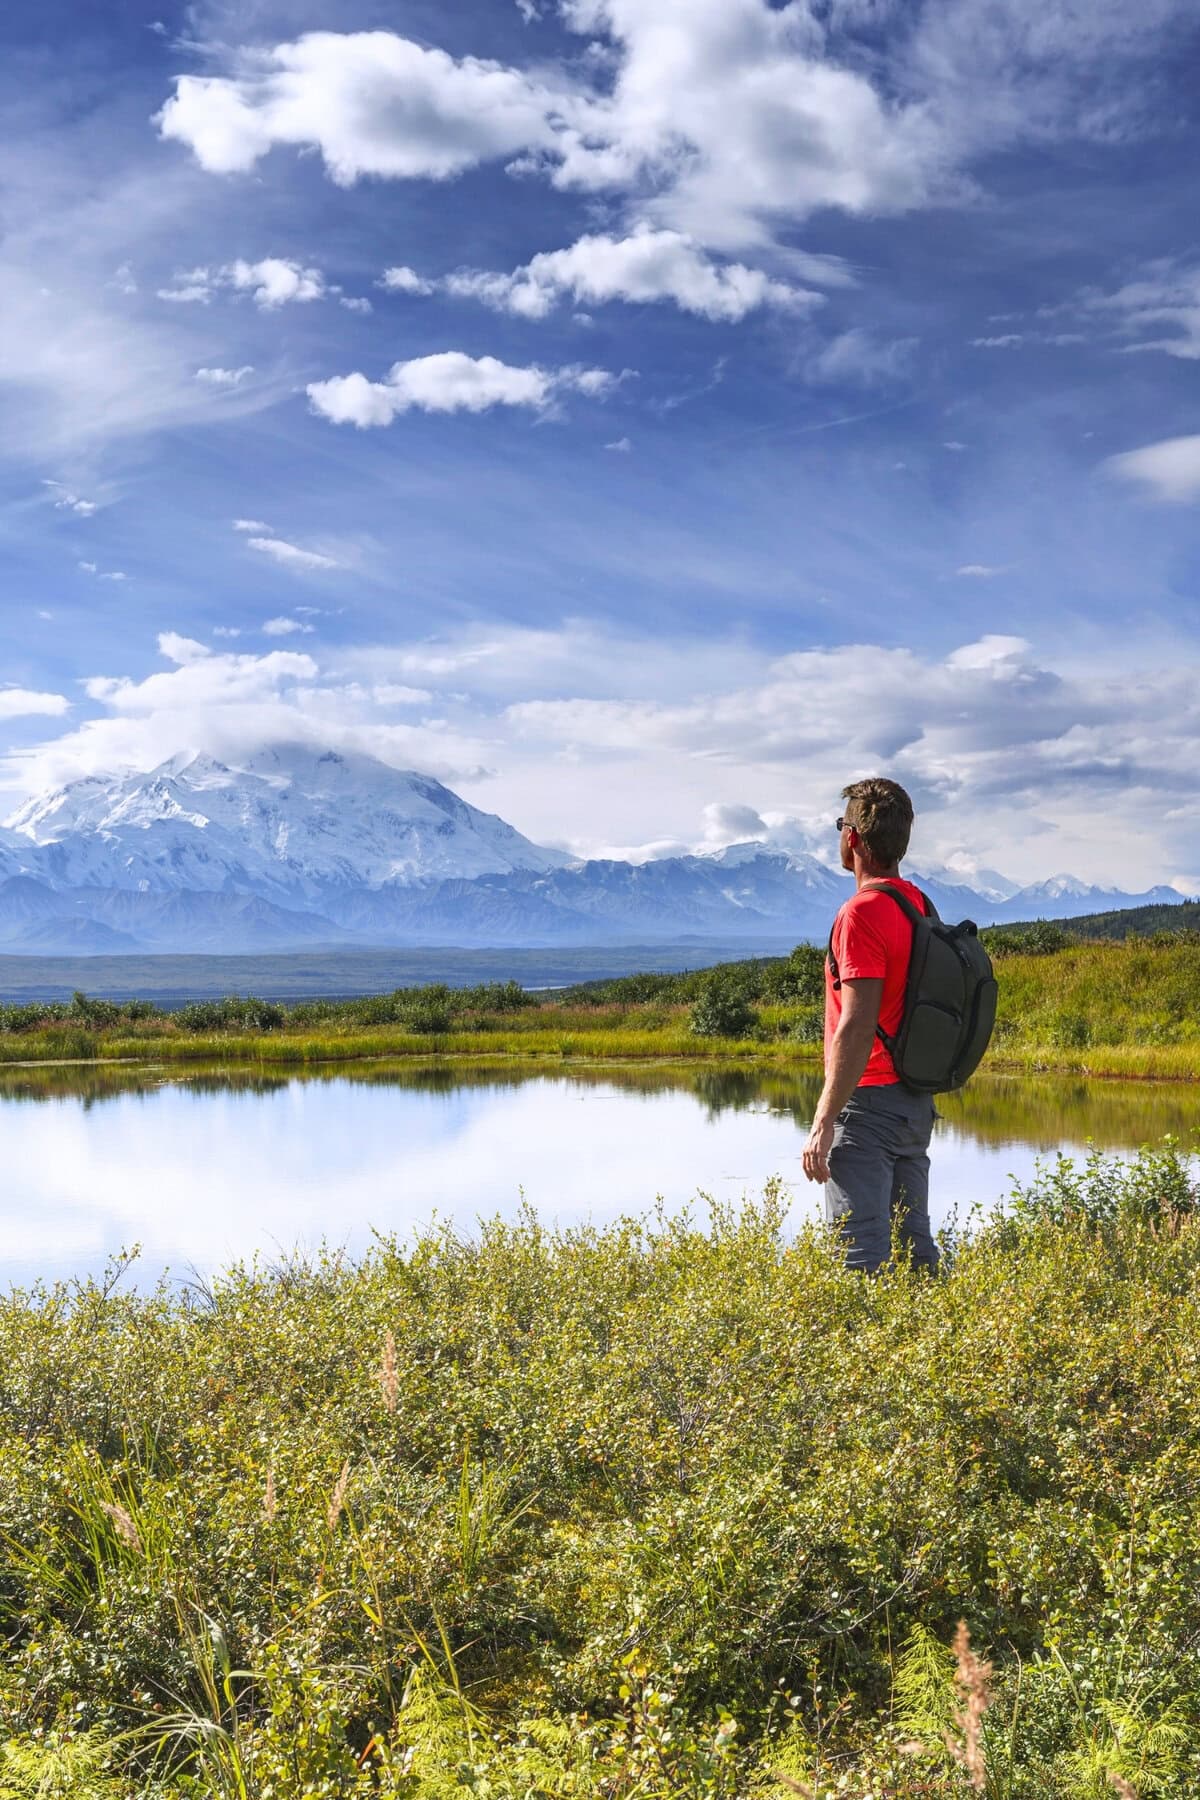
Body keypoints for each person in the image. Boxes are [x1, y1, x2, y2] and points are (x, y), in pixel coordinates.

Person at [801, 777, 939, 1274]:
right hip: (913, 1102)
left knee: (857, 1257)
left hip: (868, 1103)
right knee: (913, 1251)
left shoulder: (862, 913)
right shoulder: (918, 905)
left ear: (854, 837)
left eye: (842, 825)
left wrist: (823, 1122)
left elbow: (856, 1027)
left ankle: (867, 1345)